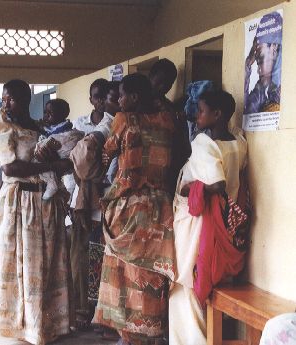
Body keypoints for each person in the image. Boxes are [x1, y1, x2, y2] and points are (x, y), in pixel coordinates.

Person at [93, 73, 176, 345]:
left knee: (123, 272)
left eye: (122, 95)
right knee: (150, 272)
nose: (118, 100)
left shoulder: (124, 120)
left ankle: (129, 336)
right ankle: (151, 332)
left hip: (130, 206)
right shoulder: (167, 120)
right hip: (161, 207)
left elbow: (107, 154)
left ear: (135, 98)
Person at [0, 79, 71, 345]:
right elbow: (10, 168)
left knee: (47, 263)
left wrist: (58, 164)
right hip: (21, 203)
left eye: (11, 99)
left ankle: (48, 324)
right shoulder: (5, 127)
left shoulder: (38, 127)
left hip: (45, 203)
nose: (6, 104)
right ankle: (26, 327)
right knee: (24, 264)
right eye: (4, 99)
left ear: (26, 100)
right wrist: (51, 167)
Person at [169, 90, 248, 345]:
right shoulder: (239, 143)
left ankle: (193, 340)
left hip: (199, 222)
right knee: (201, 279)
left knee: (186, 282)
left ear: (218, 115)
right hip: (224, 222)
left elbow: (216, 184)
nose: (196, 116)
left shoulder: (204, 143)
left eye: (201, 111)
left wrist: (187, 189)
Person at [69, 78, 114, 330]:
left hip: (104, 199)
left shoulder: (112, 123)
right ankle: (81, 309)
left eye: (104, 97)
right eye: (96, 96)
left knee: (99, 257)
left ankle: (96, 310)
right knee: (80, 257)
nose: (100, 101)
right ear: (91, 99)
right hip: (83, 197)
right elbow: (74, 159)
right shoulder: (79, 124)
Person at [149, 58, 191, 198]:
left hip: (166, 169)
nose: (163, 87)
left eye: (168, 84)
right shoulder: (139, 104)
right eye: (159, 81)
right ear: (151, 77)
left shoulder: (170, 107)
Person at [35, 98, 83, 200]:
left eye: (50, 113)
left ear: (62, 115)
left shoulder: (64, 127)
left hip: (63, 149)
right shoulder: (50, 127)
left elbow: (62, 139)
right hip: (56, 153)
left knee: (40, 155)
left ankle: (52, 183)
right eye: (45, 112)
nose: (46, 115)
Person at [244, 11, 282, 114]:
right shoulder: (262, 89)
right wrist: (248, 63)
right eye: (257, 62)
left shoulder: (284, 89)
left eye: (260, 60)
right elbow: (246, 113)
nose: (258, 70)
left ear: (274, 49)